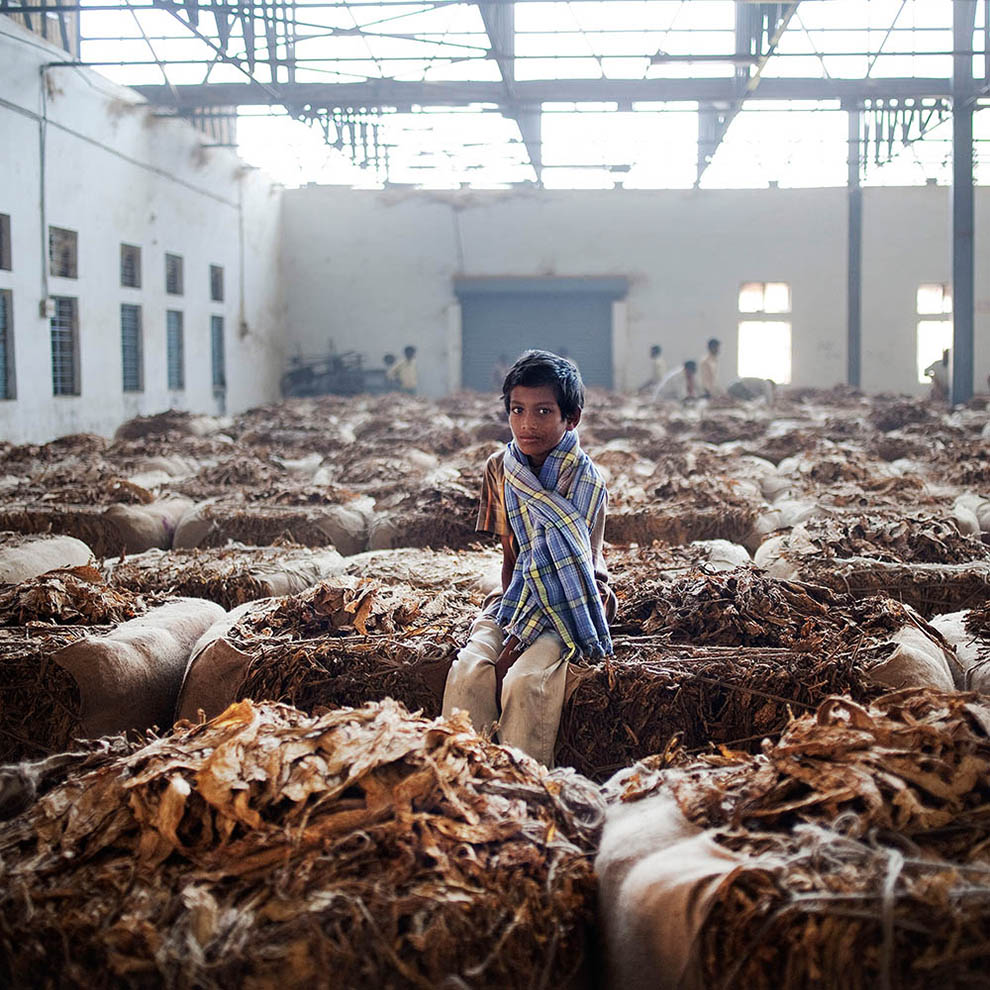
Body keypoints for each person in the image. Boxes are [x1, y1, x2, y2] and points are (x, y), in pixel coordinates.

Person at [442, 350, 616, 765]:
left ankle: (525, 780)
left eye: (543, 411)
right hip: (517, 592)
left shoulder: (587, 480)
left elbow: (573, 567)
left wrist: (518, 644)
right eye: (517, 410)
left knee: (524, 681)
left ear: (571, 418)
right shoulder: (500, 468)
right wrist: (509, 627)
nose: (527, 424)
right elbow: (511, 558)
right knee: (468, 672)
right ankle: (467, 774)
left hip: (574, 599)